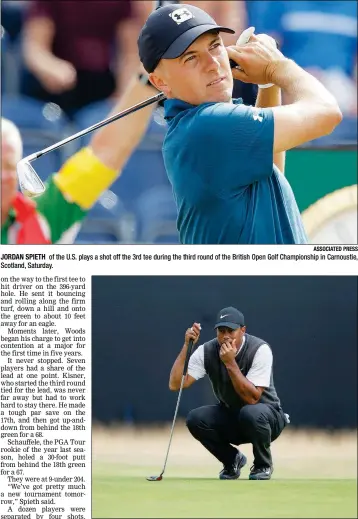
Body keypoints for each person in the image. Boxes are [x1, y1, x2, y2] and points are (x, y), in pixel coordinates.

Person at [137, 3, 342, 244]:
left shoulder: (207, 125)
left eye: (215, 46)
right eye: (191, 58)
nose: (213, 63)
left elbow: (268, 168)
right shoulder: (207, 126)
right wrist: (278, 66)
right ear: (159, 81)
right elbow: (327, 113)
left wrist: (267, 83)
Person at [1, 69, 157, 244]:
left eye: (9, 166)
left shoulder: (42, 216)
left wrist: (150, 75)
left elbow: (106, 152)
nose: (4, 176)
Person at [169, 307, 289, 480]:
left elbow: (252, 398)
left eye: (231, 331)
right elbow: (175, 384)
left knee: (251, 412)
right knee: (195, 419)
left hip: (267, 419)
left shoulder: (260, 349)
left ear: (243, 330)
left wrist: (230, 363)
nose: (225, 336)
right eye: (221, 331)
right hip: (233, 415)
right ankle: (232, 460)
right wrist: (187, 345)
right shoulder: (207, 350)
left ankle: (263, 465)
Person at [21, 0, 143, 117]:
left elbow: (131, 54)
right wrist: (51, 67)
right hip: (52, 91)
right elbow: (35, 48)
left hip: (100, 85)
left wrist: (122, 95)